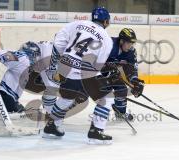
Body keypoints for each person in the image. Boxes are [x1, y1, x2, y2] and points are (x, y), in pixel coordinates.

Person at [43, 7, 114, 144]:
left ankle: (51, 126)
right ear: (106, 21)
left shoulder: (76, 24)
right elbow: (98, 64)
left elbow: (58, 43)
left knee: (67, 97)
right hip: (84, 71)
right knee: (107, 97)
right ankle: (96, 132)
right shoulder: (106, 38)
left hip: (65, 68)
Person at [103, 28, 144, 121]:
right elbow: (95, 61)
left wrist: (135, 81)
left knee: (121, 89)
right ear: (121, 41)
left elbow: (132, 68)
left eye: (132, 43)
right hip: (96, 73)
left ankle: (120, 113)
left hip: (112, 74)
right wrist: (106, 69)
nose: (130, 46)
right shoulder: (109, 45)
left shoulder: (131, 52)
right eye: (129, 43)